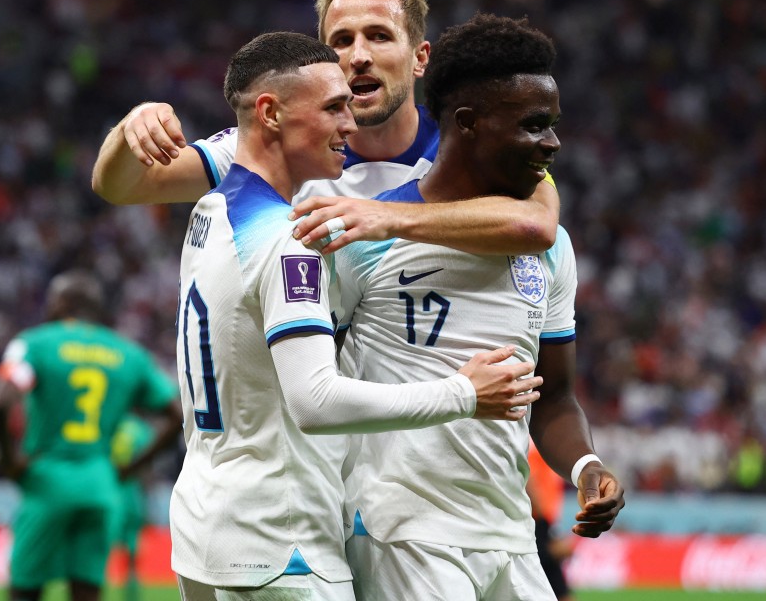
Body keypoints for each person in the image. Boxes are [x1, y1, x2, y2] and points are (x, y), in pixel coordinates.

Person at [171, 30, 543, 601]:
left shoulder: (209, 211)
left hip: (204, 527)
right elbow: (316, 401)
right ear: (269, 114)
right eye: (332, 108)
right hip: (282, 544)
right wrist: (464, 393)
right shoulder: (289, 241)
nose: (350, 124)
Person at [334, 13, 625, 600]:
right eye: (533, 125)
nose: (553, 142)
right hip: (401, 534)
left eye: (553, 125)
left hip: (510, 534)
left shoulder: (550, 245)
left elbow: (556, 396)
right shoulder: (364, 237)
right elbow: (314, 391)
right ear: (467, 124)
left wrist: (586, 466)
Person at [91, 0, 559, 257]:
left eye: (378, 35)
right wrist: (132, 126)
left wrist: (385, 217)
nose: (358, 56)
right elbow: (121, 186)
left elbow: (536, 224)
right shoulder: (276, 149)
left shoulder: (468, 147)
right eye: (341, 40)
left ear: (420, 58)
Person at [0, 270, 184, 601]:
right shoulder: (127, 353)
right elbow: (177, 415)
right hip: (101, 483)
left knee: (24, 588)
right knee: (86, 590)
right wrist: (132, 468)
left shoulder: (36, 343)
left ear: (64, 302)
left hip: (47, 479)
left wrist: (9, 462)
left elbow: (0, 401)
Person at [109, 413, 156, 601]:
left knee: (100, 549)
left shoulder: (109, 423)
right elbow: (149, 463)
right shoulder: (141, 430)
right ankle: (131, 595)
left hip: (110, 491)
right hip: (132, 493)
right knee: (132, 554)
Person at [527, 441, 575, 601]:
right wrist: (549, 530)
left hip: (540, 522)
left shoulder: (543, 450)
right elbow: (528, 480)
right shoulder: (534, 446)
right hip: (535, 523)